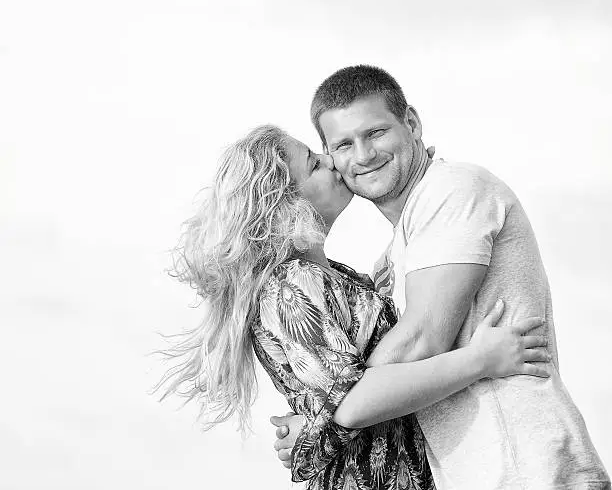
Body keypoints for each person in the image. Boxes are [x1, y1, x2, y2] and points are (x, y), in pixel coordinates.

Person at [158, 124, 551, 490]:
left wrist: (315, 429)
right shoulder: (290, 285)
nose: (332, 161)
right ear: (284, 202)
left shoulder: (334, 276)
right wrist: (481, 360)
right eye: (314, 163)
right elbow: (353, 403)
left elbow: (344, 397)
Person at [271, 65, 610, 489]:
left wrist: (325, 419)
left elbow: (423, 338)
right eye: (343, 144)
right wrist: (334, 406)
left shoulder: (452, 190)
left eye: (376, 132)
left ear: (411, 123)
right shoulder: (398, 250)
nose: (362, 155)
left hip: (531, 466)